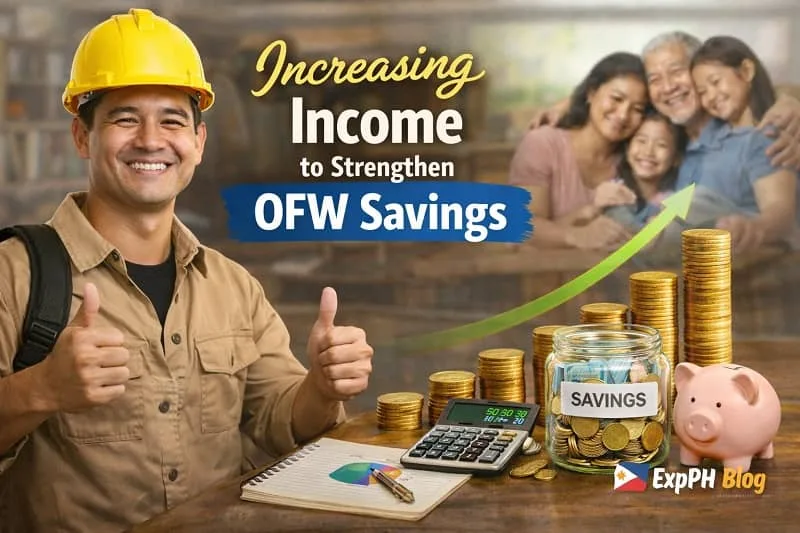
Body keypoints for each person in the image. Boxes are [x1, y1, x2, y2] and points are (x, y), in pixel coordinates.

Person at [0, 9, 374, 533]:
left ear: (197, 142)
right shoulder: (13, 275)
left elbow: (278, 423)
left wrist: (322, 387)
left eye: (172, 120)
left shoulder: (232, 286)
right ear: (82, 137)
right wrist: (42, 388)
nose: (151, 140)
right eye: (124, 118)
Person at [528, 31, 800, 252]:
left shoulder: (754, 136)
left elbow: (779, 212)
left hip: (742, 273)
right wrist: (569, 104)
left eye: (676, 71)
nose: (668, 86)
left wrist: (790, 100)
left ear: (697, 72)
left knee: (694, 202)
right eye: (655, 79)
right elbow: (615, 89)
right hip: (672, 276)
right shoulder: (666, 143)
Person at [509, 52, 648, 251]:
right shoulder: (542, 143)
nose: (623, 115)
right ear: (591, 93)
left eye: (638, 109)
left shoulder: (637, 158)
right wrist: (578, 234)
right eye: (617, 98)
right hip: (542, 277)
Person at [684, 35, 797, 250]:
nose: (711, 96)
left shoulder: (765, 136)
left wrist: (754, 228)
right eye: (702, 92)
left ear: (746, 71)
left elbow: (780, 211)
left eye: (715, 82)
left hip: (730, 242)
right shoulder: (711, 134)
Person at [604, 108, 687, 231]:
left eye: (661, 145)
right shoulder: (615, 192)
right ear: (627, 149)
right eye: (641, 141)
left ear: (676, 159)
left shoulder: (677, 197)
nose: (648, 152)